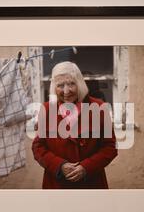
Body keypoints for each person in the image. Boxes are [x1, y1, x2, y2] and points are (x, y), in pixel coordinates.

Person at [32, 61, 118, 189]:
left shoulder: (99, 107)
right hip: (57, 185)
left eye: (71, 83)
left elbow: (110, 147)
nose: (66, 91)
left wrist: (86, 167)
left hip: (91, 184)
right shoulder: (47, 109)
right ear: (54, 87)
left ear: (80, 84)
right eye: (60, 85)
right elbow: (38, 147)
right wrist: (59, 166)